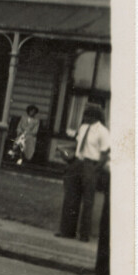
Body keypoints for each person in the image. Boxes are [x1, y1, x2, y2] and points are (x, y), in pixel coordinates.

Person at [56, 104, 110, 243]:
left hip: (91, 165)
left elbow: (105, 154)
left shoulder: (103, 132)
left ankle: (84, 234)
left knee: (88, 201)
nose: (85, 118)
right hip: (77, 162)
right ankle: (67, 231)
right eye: (84, 115)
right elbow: (78, 144)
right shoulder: (83, 127)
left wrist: (95, 170)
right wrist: (65, 149)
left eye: (87, 115)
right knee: (70, 197)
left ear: (95, 116)